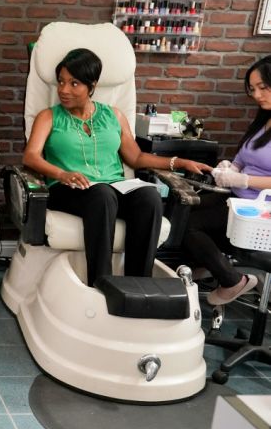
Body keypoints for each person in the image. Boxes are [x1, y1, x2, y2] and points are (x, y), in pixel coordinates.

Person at [22, 48, 212, 287]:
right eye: (61, 82)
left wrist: (179, 162)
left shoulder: (113, 116)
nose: (63, 90)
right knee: (102, 195)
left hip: (113, 189)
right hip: (68, 189)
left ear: (92, 85)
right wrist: (62, 173)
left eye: (74, 83)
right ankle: (102, 283)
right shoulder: (49, 117)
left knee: (149, 196)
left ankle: (138, 285)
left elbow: (136, 158)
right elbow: (30, 157)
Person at [182, 56, 271, 305]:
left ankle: (233, 280)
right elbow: (244, 157)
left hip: (259, 209)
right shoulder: (263, 121)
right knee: (181, 207)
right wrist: (231, 168)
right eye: (252, 89)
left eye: (263, 87)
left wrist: (243, 180)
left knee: (190, 224)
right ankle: (207, 263)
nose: (257, 95)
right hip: (237, 198)